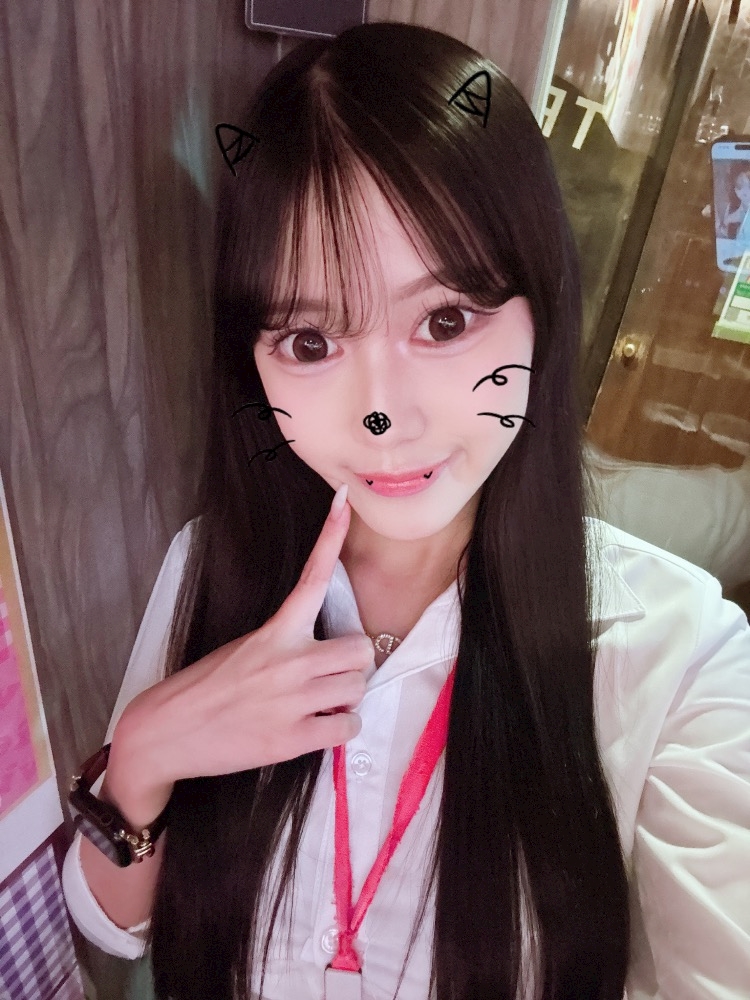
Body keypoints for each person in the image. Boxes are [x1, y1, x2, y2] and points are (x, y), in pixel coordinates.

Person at [61, 21, 750, 1000]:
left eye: (445, 321)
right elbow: (111, 925)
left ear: (543, 312)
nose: (382, 416)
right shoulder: (210, 563)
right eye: (310, 342)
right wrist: (143, 756)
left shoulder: (682, 662)